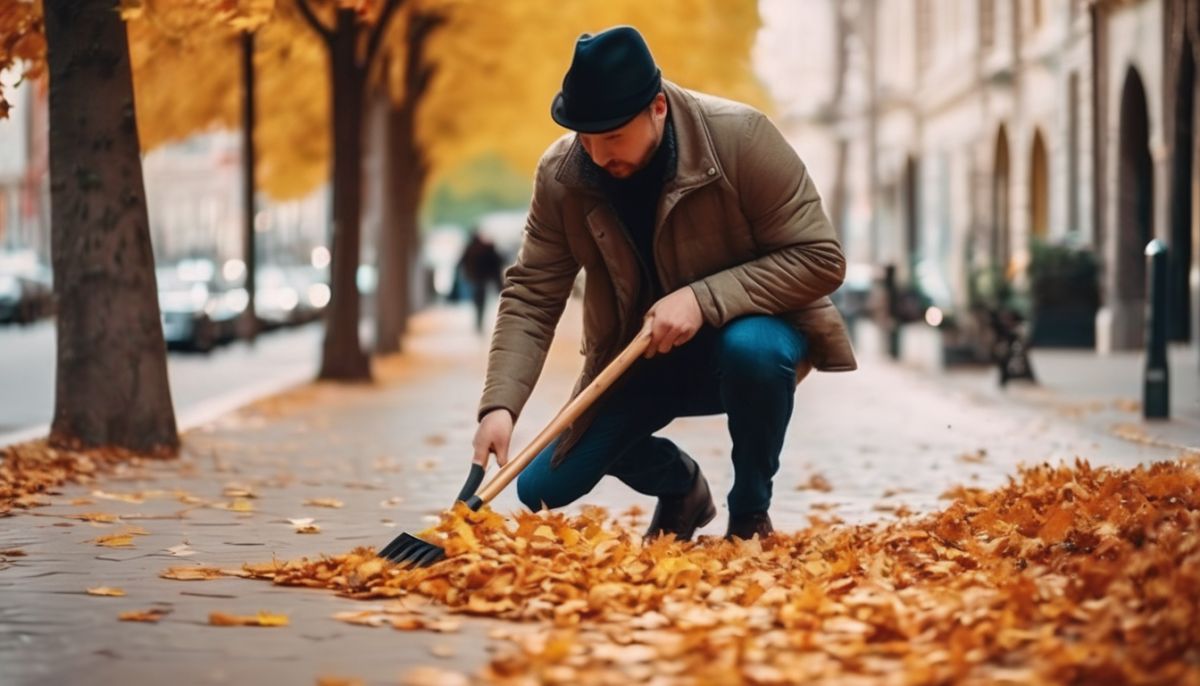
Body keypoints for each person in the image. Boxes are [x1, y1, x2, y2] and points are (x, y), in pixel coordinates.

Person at [471, 26, 857, 541]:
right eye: (585, 137)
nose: (598, 154)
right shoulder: (562, 176)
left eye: (613, 137)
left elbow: (820, 258)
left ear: (657, 107)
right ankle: (682, 487)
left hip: (750, 341)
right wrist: (500, 405)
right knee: (542, 486)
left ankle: (749, 513)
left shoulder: (742, 138)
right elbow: (532, 295)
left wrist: (702, 299)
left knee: (753, 351)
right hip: (641, 354)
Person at [457, 230, 505, 333]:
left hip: (474, 278)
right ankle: (479, 322)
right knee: (480, 301)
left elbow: (460, 263)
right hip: (482, 279)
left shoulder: (470, 248)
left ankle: (479, 322)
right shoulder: (484, 248)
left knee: (478, 301)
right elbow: (498, 260)